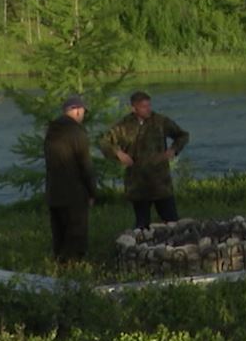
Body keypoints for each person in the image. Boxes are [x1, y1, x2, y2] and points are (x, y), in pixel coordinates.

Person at [100, 90, 190, 230]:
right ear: (134, 108)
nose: (148, 109)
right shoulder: (124, 125)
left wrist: (173, 150)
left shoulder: (160, 121)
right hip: (137, 183)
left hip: (160, 181)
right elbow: (104, 141)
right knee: (142, 225)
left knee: (172, 221)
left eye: (149, 105)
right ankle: (142, 248)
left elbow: (182, 135)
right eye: (144, 106)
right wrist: (118, 153)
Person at [43, 95, 97, 263]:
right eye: (82, 111)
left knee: (59, 233)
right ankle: (74, 270)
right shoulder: (77, 132)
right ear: (77, 110)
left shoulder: (51, 130)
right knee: (76, 233)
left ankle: (59, 266)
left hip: (54, 192)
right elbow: (85, 164)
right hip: (75, 192)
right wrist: (92, 191)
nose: (83, 115)